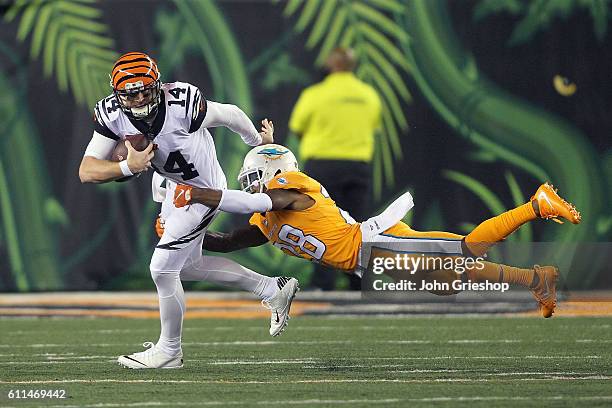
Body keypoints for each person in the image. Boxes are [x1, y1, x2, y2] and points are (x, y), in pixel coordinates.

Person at [171, 144, 582, 319]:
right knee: (453, 279)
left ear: (278, 173)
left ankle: (536, 204)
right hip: (367, 264)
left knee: (465, 250)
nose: (252, 185)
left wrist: (196, 194)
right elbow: (226, 243)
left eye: (256, 177)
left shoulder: (288, 190)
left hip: (374, 243)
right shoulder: (265, 220)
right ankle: (537, 280)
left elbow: (264, 201)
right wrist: (181, 233)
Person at [78, 52, 299, 369]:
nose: (139, 98)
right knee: (186, 267)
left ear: (157, 84)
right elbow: (87, 170)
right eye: (130, 93)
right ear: (117, 95)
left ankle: (169, 350)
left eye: (145, 89)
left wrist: (256, 143)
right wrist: (128, 166)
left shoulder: (181, 103)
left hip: (202, 191)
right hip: (173, 187)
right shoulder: (112, 114)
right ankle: (270, 287)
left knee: (162, 268)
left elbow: (230, 114)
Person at [289, 47, 382, 290]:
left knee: (321, 223)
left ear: (330, 63)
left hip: (323, 165)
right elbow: (373, 125)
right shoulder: (369, 95)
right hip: (356, 165)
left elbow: (297, 126)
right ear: (353, 65)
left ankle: (323, 283)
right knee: (357, 225)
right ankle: (358, 283)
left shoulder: (315, 94)